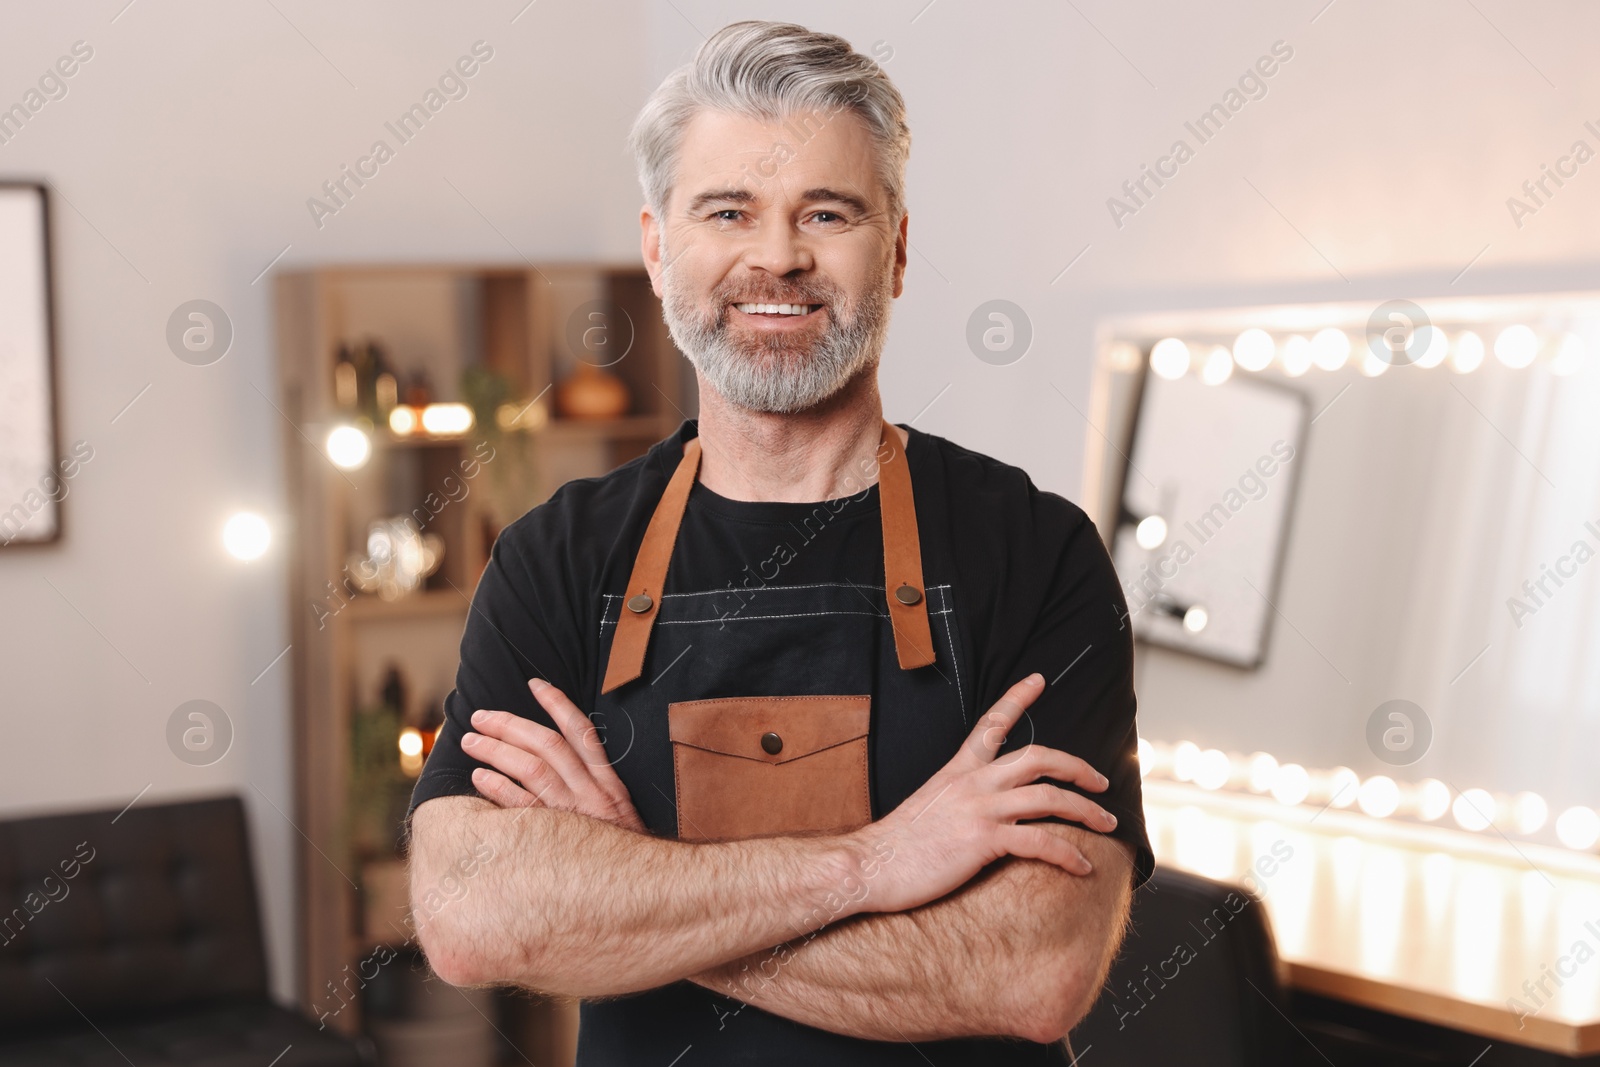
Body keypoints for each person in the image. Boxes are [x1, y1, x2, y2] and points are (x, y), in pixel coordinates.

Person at [407, 20, 1154, 1065]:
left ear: (893, 248)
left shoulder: (1031, 550)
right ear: (659, 246)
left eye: (827, 212)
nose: (777, 257)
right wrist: (873, 864)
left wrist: (628, 881)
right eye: (728, 210)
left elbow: (1032, 970)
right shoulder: (558, 559)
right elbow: (470, 916)